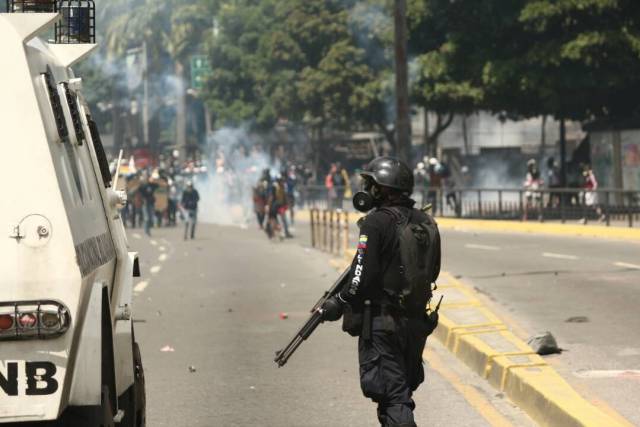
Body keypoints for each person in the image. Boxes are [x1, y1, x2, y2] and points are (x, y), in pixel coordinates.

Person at [320, 156, 441, 427]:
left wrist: (338, 302)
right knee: (395, 394)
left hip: (384, 326)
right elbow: (432, 271)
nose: (366, 188)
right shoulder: (425, 221)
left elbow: (360, 278)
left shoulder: (375, 224)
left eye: (371, 183)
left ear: (383, 189)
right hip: (415, 323)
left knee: (395, 399)